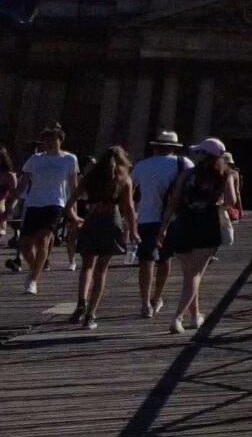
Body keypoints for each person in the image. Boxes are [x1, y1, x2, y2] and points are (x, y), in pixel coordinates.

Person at [162, 138, 238, 335]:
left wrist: (163, 228)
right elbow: (231, 201)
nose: (195, 156)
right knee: (194, 275)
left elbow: (174, 201)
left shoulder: (186, 174)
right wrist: (215, 205)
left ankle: (195, 317)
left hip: (184, 222)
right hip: (208, 223)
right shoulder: (225, 174)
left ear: (206, 155)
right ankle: (177, 318)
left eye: (199, 152)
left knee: (190, 275)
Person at [67, 147, 136, 330]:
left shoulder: (91, 177)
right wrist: (134, 232)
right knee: (101, 270)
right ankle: (90, 315)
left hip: (91, 221)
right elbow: (129, 209)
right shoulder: (124, 180)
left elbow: (70, 202)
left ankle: (81, 302)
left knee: (87, 266)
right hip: (111, 223)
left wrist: (75, 219)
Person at [129, 131, 188, 318]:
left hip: (145, 218)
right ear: (174, 147)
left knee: (146, 261)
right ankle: (157, 297)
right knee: (165, 259)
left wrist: (129, 217)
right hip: (171, 219)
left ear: (155, 146)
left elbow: (129, 189)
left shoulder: (141, 165)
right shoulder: (183, 163)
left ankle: (145, 304)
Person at [17, 125, 79, 296]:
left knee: (44, 239)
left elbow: (73, 187)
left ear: (60, 140)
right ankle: (36, 267)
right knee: (25, 244)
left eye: (53, 139)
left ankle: (33, 280)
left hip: (55, 202)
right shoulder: (35, 159)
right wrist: (11, 203)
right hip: (34, 202)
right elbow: (23, 183)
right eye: (47, 140)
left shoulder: (69, 159)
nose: (50, 143)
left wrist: (73, 211)